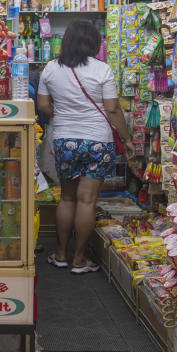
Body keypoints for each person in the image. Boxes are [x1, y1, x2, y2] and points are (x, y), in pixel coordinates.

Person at [36, 20, 136, 274]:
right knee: (87, 200)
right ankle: (79, 259)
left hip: (65, 140)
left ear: (66, 40)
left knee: (67, 197)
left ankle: (60, 254)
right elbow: (112, 109)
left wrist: (62, 113)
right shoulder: (102, 70)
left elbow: (43, 106)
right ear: (94, 43)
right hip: (97, 142)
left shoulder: (50, 69)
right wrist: (127, 139)